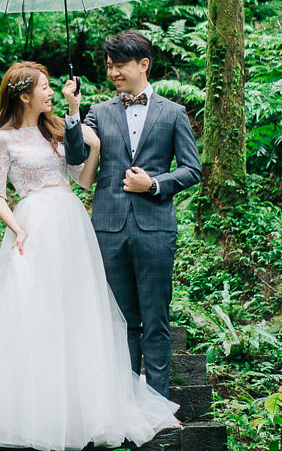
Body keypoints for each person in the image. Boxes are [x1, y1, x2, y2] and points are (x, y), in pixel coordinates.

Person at [0, 61, 181, 451]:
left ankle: (86, 405)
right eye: (45, 86)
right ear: (25, 96)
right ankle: (37, 410)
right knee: (35, 312)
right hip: (33, 224)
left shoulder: (55, 128)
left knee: (78, 311)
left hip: (71, 222)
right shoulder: (3, 139)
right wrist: (18, 229)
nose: (51, 91)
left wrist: (92, 144)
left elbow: (82, 180)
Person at [63, 30, 202, 399]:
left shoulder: (173, 113)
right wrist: (74, 113)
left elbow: (192, 169)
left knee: (155, 318)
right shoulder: (99, 112)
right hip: (108, 227)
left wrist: (153, 184)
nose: (113, 73)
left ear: (144, 64)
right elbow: (76, 157)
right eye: (109, 66)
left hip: (155, 227)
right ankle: (122, 402)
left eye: (120, 65)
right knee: (119, 319)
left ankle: (157, 402)